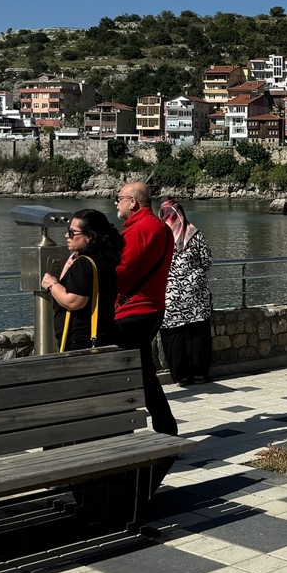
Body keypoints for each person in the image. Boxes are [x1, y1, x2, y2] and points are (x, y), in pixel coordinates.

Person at [113, 181, 177, 436]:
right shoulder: (161, 227)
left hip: (133, 311)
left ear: (133, 202)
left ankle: (160, 431)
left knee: (139, 375)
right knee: (142, 373)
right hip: (152, 308)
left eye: (118, 198)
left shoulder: (140, 229)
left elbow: (121, 272)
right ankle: (164, 429)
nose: (116, 203)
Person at [41, 209, 122, 352]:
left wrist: (51, 284)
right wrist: (67, 267)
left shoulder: (84, 264)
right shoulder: (105, 260)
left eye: (72, 232)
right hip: (103, 335)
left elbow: (74, 301)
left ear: (89, 236)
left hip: (81, 341)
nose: (67, 235)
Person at [158, 199, 214, 385]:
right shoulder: (194, 233)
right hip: (196, 293)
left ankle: (180, 376)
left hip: (170, 294)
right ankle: (200, 374)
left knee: (173, 335)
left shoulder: (160, 235)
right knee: (199, 333)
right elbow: (206, 261)